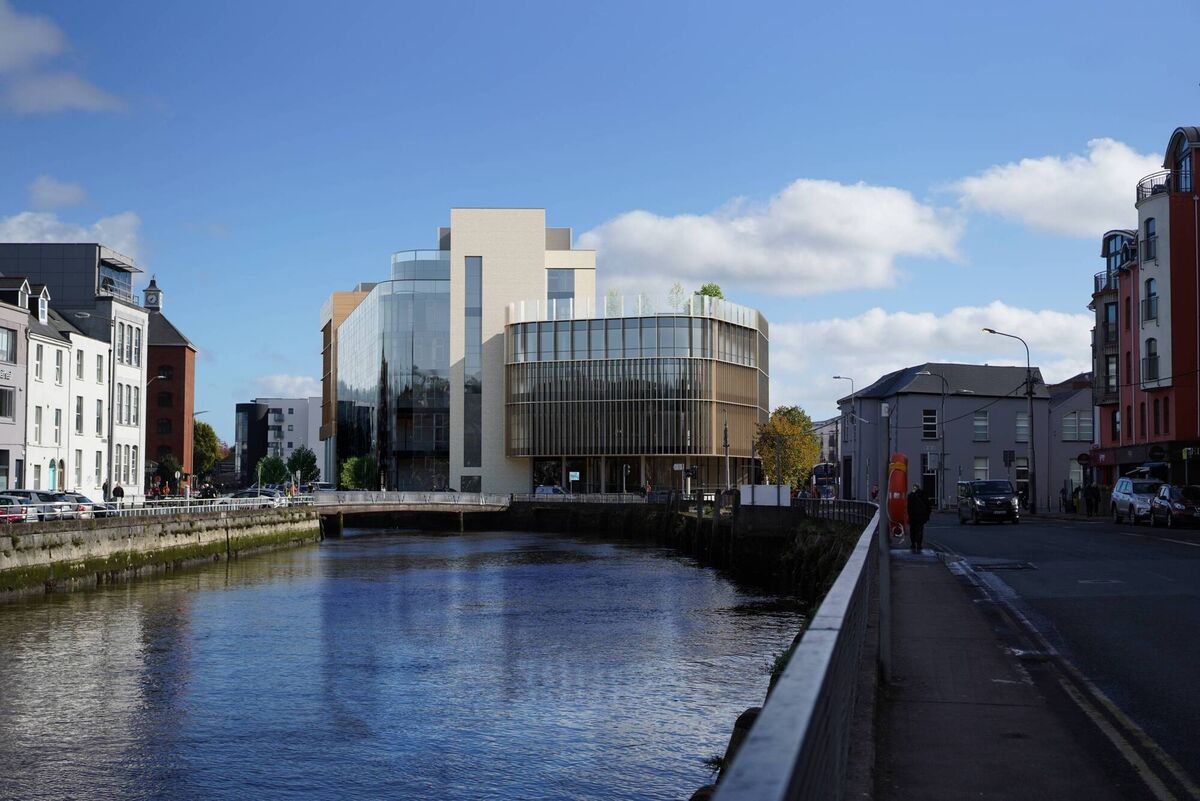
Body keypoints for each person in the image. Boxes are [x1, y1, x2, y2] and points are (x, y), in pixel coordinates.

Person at [907, 483, 930, 554]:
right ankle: (919, 544)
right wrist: (927, 516)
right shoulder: (924, 495)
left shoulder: (910, 496)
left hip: (913, 517)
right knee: (920, 530)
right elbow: (928, 506)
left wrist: (909, 515)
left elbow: (908, 507)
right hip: (921, 517)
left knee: (912, 530)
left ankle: (913, 543)